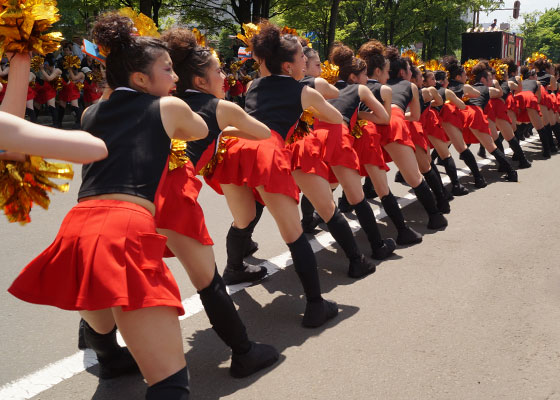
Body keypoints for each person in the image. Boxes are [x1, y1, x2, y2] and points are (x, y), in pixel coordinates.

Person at [9, 13, 208, 399]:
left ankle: (111, 359)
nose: (176, 78)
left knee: (101, 313)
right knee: (170, 383)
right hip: (124, 227)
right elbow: (200, 130)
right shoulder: (169, 108)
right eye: (167, 70)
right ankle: (117, 359)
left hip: (78, 226)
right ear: (139, 79)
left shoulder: (90, 113)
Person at [156, 27, 280, 377]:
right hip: (174, 195)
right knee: (207, 281)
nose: (224, 76)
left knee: (126, 265)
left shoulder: (159, 102)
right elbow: (263, 133)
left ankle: (99, 341)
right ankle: (243, 352)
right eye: (218, 70)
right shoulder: (220, 107)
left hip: (135, 191)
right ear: (200, 79)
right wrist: (225, 128)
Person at [205, 23, 340, 327]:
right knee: (292, 231)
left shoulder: (253, 86)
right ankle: (316, 305)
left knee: (244, 218)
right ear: (288, 64)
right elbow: (336, 117)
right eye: (301, 58)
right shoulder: (304, 90)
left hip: (234, 147)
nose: (306, 62)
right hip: (265, 150)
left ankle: (235, 267)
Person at [381, 47, 448, 229]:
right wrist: (400, 114)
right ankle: (437, 213)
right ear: (403, 72)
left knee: (376, 181)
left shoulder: (380, 84)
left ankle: (315, 215)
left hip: (371, 125)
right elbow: (416, 116)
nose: (411, 73)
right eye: (410, 70)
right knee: (417, 175)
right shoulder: (410, 86)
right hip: (396, 122)